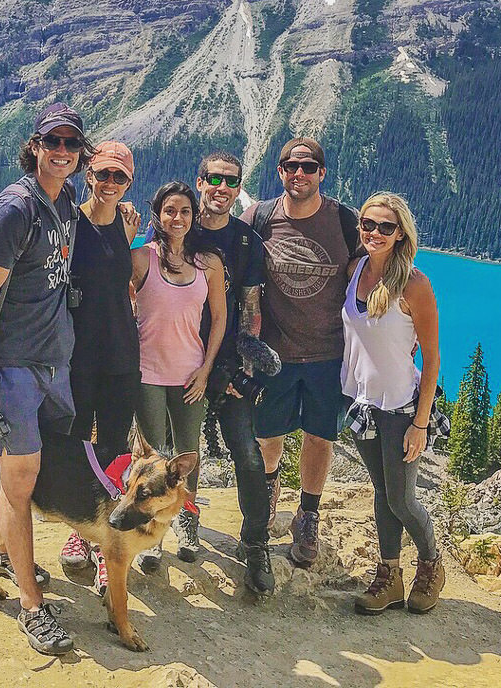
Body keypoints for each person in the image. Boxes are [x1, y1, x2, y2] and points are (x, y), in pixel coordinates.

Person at [0, 102, 89, 655]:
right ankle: (32, 607)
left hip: (51, 364)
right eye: (52, 142)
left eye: (71, 144)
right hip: (14, 368)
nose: (62, 152)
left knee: (34, 473)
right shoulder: (15, 210)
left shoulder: (63, 203)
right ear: (35, 146)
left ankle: (9, 559)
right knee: (18, 487)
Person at [239, 137, 358, 568]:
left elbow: (374, 274)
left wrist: (402, 321)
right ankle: (269, 497)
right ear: (280, 171)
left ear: (322, 174)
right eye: (291, 166)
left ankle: (307, 513)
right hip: (275, 353)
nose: (300, 174)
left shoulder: (346, 221)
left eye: (309, 167)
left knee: (319, 436)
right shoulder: (260, 217)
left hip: (330, 353)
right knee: (268, 435)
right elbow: (235, 270)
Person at [340, 192, 447, 615]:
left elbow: (433, 358)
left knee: (402, 499)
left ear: (401, 233)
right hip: (364, 404)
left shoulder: (414, 284)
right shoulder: (356, 270)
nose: (375, 233)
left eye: (386, 227)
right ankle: (390, 576)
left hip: (401, 407)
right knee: (383, 495)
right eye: (368, 224)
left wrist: (421, 423)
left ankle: (431, 564)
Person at [131, 181, 226, 573]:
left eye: (185, 211)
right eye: (170, 210)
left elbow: (219, 318)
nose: (178, 218)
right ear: (159, 214)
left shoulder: (209, 264)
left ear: (194, 215)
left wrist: (206, 370)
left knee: (188, 455)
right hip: (148, 372)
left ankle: (187, 521)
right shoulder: (141, 259)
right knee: (151, 456)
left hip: (190, 373)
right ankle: (151, 529)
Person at [60, 141, 141, 590]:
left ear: (129, 181)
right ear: (88, 175)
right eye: (103, 175)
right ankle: (79, 533)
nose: (110, 183)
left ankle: (109, 537)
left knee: (113, 447)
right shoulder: (71, 221)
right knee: (77, 446)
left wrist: (126, 238)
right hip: (78, 357)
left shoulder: (125, 226)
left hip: (121, 356)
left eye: (120, 177)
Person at [193, 151, 274, 595]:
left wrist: (244, 370)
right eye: (215, 179)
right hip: (180, 364)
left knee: (247, 454)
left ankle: (255, 543)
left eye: (231, 181)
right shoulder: (178, 227)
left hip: (226, 367)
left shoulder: (246, 243)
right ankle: (183, 523)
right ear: (200, 181)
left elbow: (251, 308)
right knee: (177, 450)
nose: (222, 188)